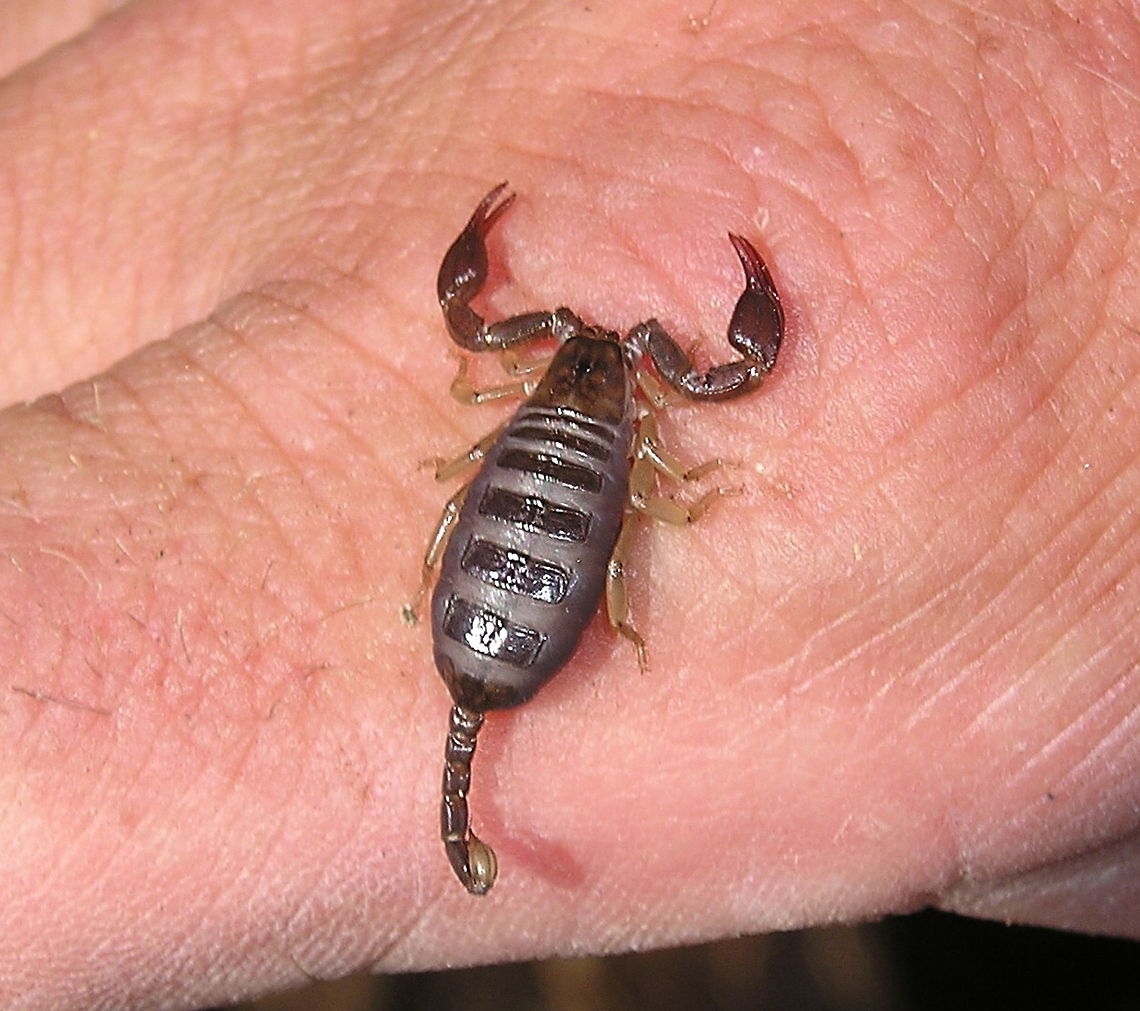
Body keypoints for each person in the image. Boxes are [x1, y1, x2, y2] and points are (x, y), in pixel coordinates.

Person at [0, 1, 1135, 1006]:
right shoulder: (640, 409)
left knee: (513, 516)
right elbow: (701, 416)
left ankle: (467, 721)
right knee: (613, 526)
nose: (593, 343)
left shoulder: (527, 381)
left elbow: (479, 333)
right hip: (553, 530)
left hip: (522, 535)